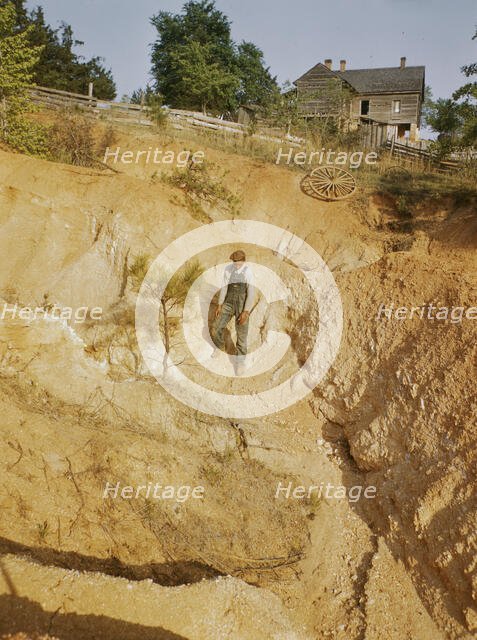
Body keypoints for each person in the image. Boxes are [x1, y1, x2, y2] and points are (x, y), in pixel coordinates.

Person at [213, 250, 254, 374]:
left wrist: (246, 311)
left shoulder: (248, 272)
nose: (237, 264)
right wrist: (220, 304)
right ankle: (219, 347)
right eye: (235, 262)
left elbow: (251, 293)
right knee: (216, 326)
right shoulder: (228, 269)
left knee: (241, 335)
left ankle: (240, 362)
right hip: (229, 302)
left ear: (243, 261)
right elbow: (224, 287)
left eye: (239, 262)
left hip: (242, 304)